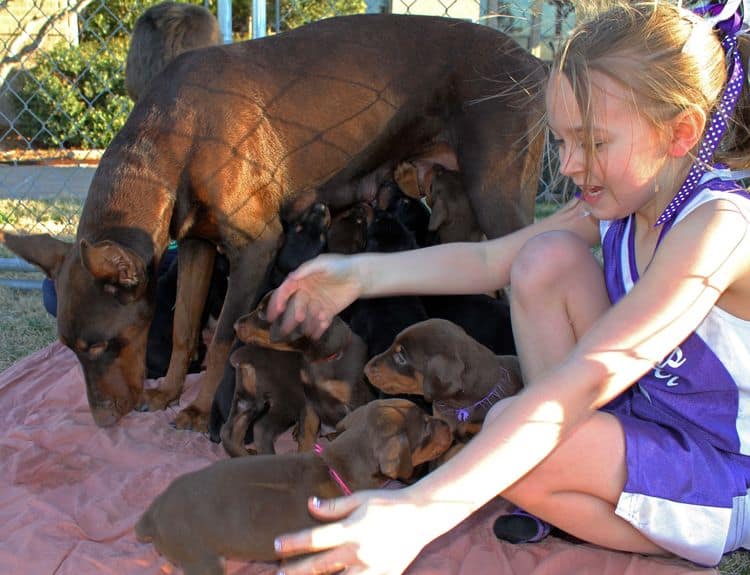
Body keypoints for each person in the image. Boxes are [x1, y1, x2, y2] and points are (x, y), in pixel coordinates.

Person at [266, 1, 750, 572]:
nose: (569, 165)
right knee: (544, 258)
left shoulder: (720, 227)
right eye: (562, 142)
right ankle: (556, 470)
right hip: (642, 424)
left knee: (509, 440)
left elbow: (594, 372)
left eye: (593, 143)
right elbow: (493, 260)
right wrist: (358, 275)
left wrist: (421, 511)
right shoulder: (630, 197)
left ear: (680, 133)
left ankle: (702, 528)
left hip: (724, 466)